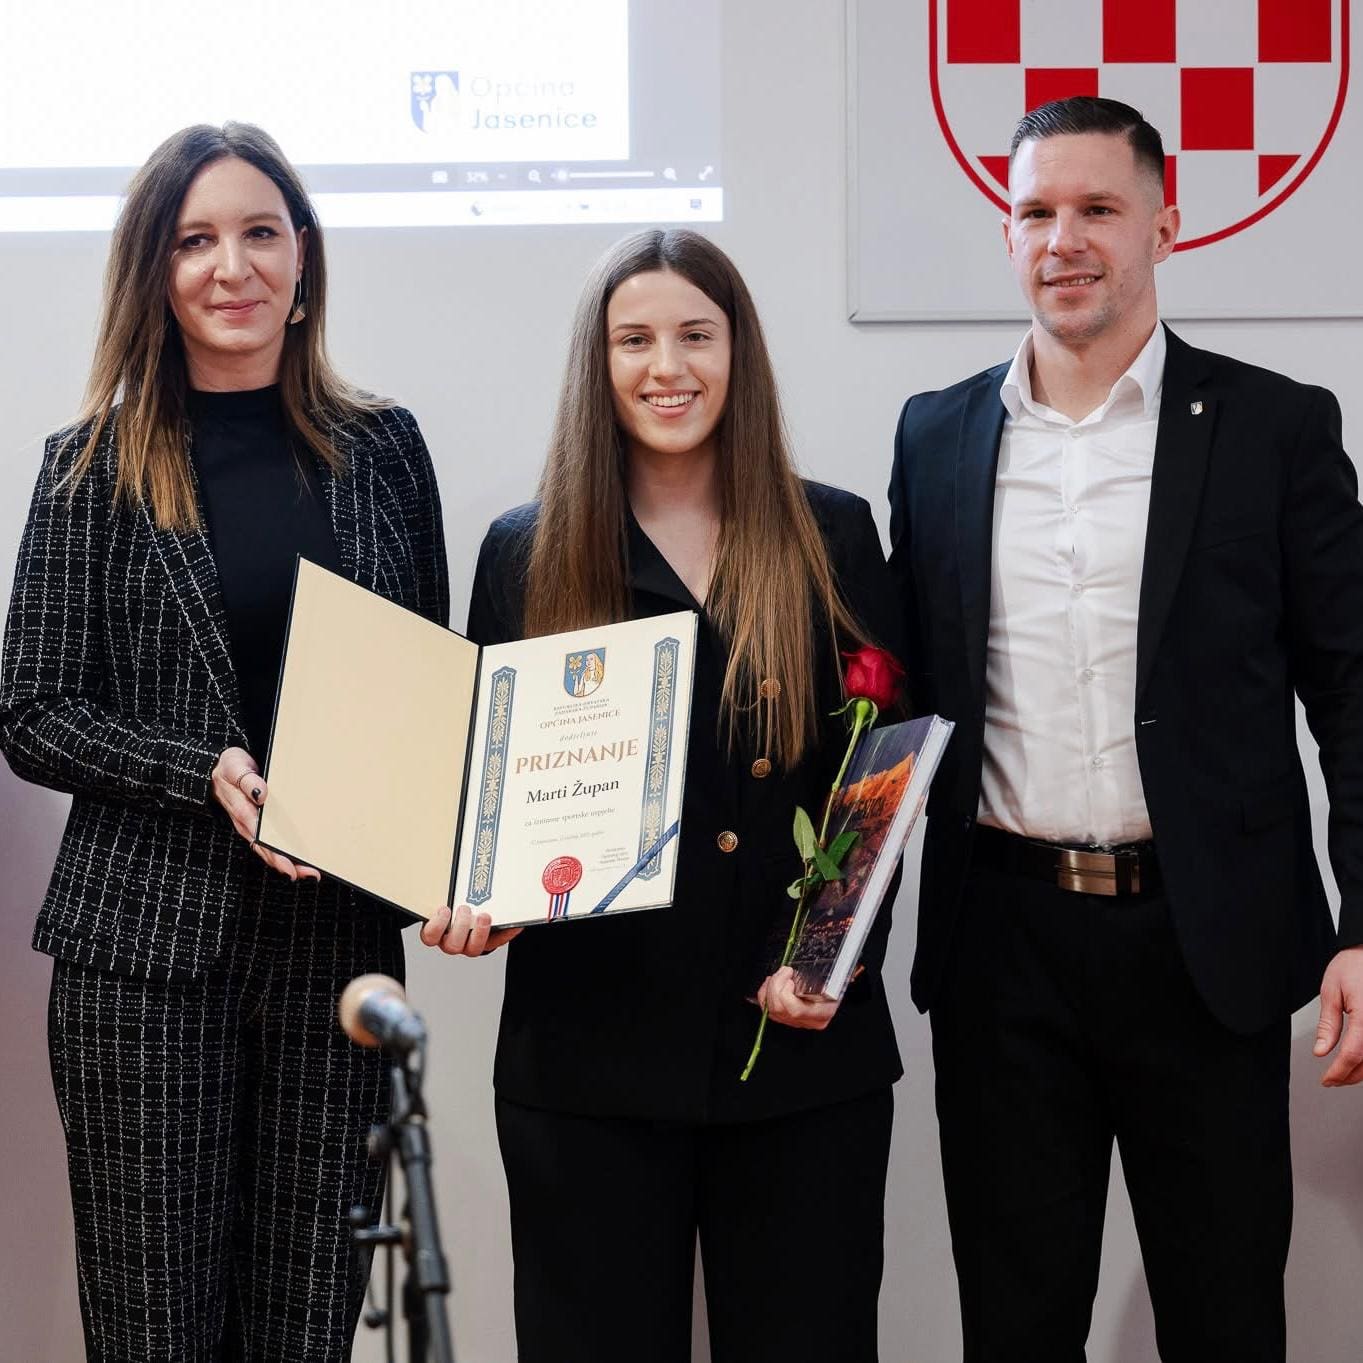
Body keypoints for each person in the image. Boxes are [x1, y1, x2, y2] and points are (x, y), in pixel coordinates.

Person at [888, 95, 1363, 1361]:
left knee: (1224, 1320)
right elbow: (898, 701)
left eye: (1098, 208)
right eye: (1036, 211)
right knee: (1015, 1325)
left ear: (1166, 224)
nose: (1065, 240)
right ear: (1005, 233)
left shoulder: (1273, 427)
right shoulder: (935, 434)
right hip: (1001, 948)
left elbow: (1351, 689)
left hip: (1203, 947)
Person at [0, 122, 448, 1362]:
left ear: (303, 257)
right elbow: (30, 708)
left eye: (259, 232)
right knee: (155, 1333)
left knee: (308, 1328)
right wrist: (198, 771)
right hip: (143, 962)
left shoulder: (385, 449)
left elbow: (430, 686)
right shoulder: (90, 467)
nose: (231, 265)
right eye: (195, 240)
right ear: (156, 270)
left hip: (336, 956)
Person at [420, 228, 903, 1363]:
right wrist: (476, 897)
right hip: (587, 1058)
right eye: (632, 339)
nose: (666, 366)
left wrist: (827, 958)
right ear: (597, 363)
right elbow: (483, 793)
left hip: (795, 1047)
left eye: (696, 335)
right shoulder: (525, 551)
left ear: (740, 354)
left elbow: (878, 772)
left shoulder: (830, 533)